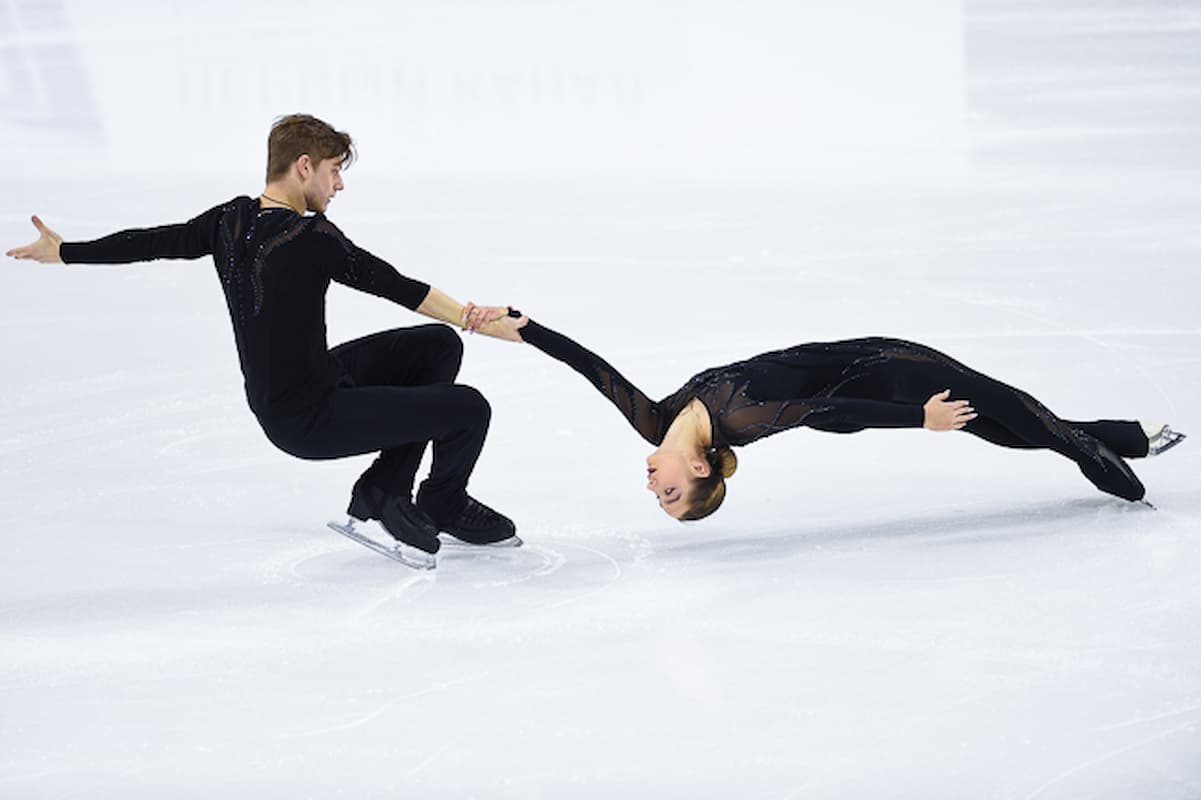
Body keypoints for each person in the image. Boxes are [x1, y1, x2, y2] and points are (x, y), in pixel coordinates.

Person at [6, 114, 521, 566]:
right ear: (304, 167)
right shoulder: (313, 237)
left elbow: (151, 242)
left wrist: (68, 251)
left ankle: (386, 486)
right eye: (334, 170)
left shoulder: (229, 220)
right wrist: (476, 318)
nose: (338, 185)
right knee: (469, 409)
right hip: (311, 421)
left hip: (293, 394)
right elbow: (395, 285)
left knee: (437, 346)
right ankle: (442, 500)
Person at [474, 309, 1185, 520]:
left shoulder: (650, 419)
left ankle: (1118, 440)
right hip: (887, 383)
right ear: (697, 470)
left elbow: (589, 367)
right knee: (1015, 425)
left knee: (1013, 426)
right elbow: (826, 409)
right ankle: (1120, 466)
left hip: (874, 356)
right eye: (667, 492)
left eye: (656, 493)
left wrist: (523, 327)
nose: (649, 481)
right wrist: (921, 420)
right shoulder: (742, 424)